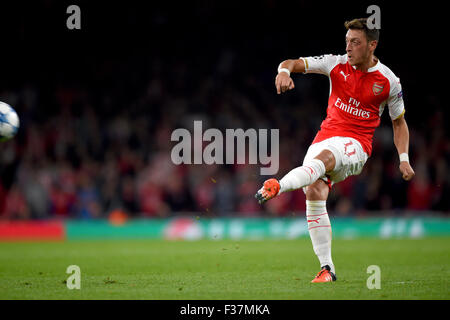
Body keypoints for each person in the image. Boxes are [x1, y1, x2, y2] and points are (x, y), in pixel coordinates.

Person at [255, 18, 415, 283]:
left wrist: (404, 158)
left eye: (356, 42)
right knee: (315, 191)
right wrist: (283, 72)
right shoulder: (335, 63)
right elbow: (292, 62)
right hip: (325, 137)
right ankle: (327, 269)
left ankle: (278, 186)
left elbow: (399, 122)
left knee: (325, 160)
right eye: (347, 42)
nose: (349, 48)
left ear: (372, 45)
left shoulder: (389, 81)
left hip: (356, 145)